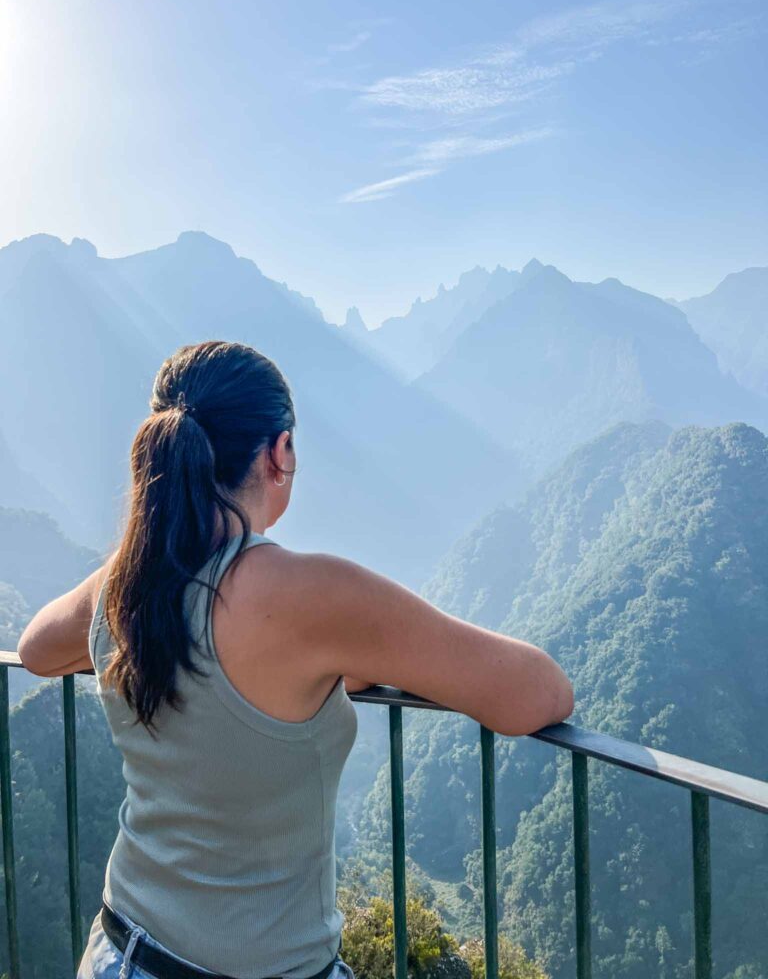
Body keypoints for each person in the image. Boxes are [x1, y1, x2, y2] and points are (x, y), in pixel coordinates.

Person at [18, 340, 574, 979]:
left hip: (122, 949)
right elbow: (539, 694)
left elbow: (37, 650)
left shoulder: (124, 585)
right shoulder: (312, 597)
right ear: (279, 453)